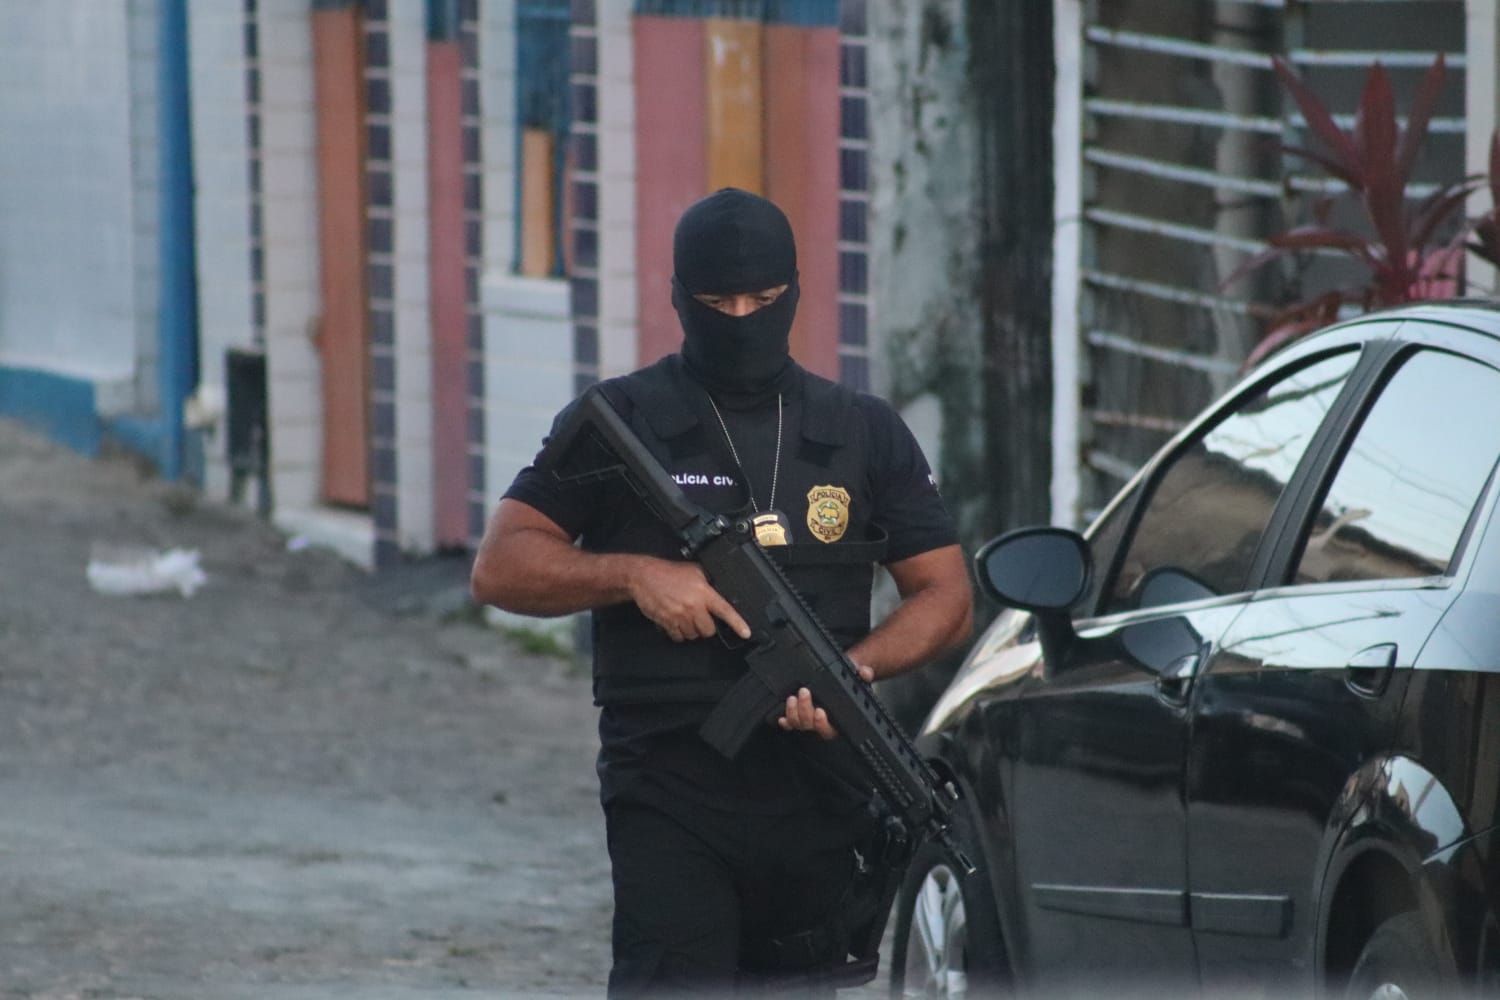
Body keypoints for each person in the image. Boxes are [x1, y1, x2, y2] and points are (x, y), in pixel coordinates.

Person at [470, 187, 973, 997]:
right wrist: (632, 575)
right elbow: (501, 565)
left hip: (819, 782)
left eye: (763, 300)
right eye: (716, 301)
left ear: (794, 294)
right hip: (670, 781)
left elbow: (944, 592)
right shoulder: (624, 419)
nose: (741, 317)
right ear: (679, 298)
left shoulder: (861, 429)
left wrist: (855, 670)